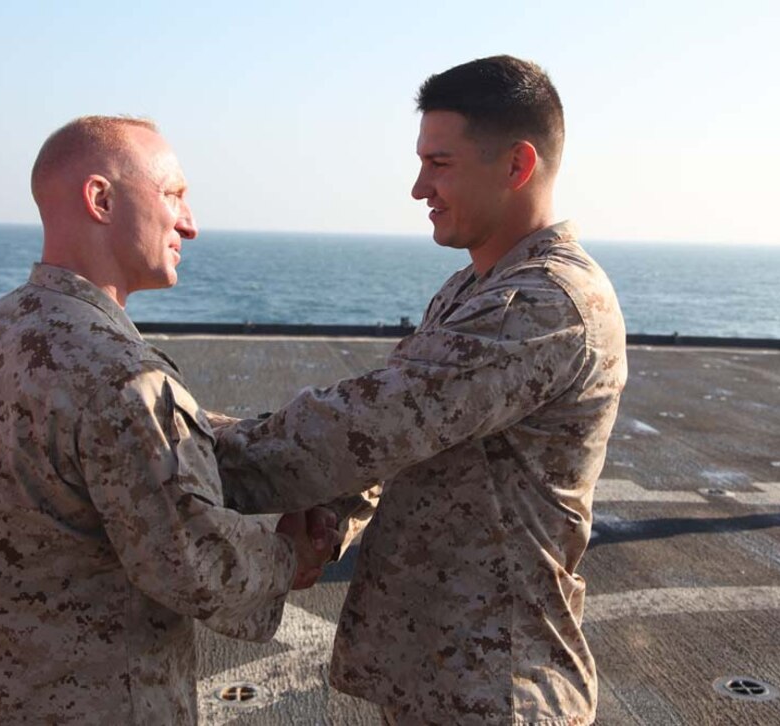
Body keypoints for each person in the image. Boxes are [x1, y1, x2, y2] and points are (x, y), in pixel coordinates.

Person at [216, 56, 627, 725]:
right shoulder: (477, 288)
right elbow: (405, 445)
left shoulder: (544, 304)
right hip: (444, 675)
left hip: (498, 691)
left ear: (517, 166)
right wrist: (330, 519)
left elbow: (370, 425)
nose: (417, 188)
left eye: (440, 163)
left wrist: (176, 440)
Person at [0, 116, 338, 725]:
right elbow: (197, 566)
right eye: (173, 194)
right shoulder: (120, 376)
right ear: (101, 199)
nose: (190, 222)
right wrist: (290, 554)